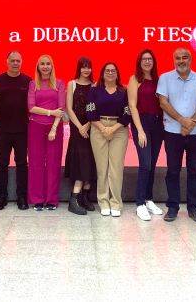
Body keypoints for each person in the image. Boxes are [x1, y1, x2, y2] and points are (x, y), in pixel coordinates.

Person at [157, 48, 196, 223]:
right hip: (173, 133)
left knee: (194, 171)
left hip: (195, 134)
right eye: (178, 58)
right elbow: (163, 103)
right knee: (173, 170)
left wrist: (190, 124)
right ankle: (172, 207)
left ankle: (193, 208)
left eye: (185, 57)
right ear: (174, 60)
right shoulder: (165, 78)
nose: (181, 61)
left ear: (191, 60)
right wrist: (182, 120)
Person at [0, 51, 31, 210]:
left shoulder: (28, 81)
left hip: (22, 130)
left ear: (21, 62)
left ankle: (22, 197)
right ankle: (1, 197)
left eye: (18, 61)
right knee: (2, 164)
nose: (15, 63)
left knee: (22, 164)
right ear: (7, 61)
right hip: (2, 130)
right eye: (12, 60)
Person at [87, 62, 130, 217]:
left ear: (117, 74)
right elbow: (90, 111)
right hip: (98, 129)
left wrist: (113, 128)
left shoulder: (123, 91)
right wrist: (103, 128)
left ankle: (116, 202)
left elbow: (127, 113)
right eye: (107, 70)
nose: (110, 73)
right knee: (102, 168)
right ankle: (104, 202)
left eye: (113, 70)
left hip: (119, 130)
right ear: (103, 73)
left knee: (116, 168)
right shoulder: (94, 90)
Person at [127, 49, 164, 221]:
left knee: (153, 164)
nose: (147, 61)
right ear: (139, 62)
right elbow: (132, 106)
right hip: (141, 124)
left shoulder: (159, 80)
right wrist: (140, 130)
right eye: (144, 59)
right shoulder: (135, 79)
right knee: (145, 163)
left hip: (157, 124)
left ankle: (149, 199)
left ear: (153, 61)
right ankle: (140, 203)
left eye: (150, 59)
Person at [27, 55, 65, 211]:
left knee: (53, 163)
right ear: (38, 66)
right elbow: (31, 107)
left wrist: (54, 128)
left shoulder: (59, 83)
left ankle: (51, 200)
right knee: (35, 163)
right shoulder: (32, 84)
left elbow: (61, 108)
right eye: (42, 64)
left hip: (55, 128)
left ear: (52, 66)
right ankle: (37, 199)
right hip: (35, 126)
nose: (45, 66)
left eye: (48, 64)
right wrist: (50, 112)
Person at [64, 57, 97, 215]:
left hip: (92, 127)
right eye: (83, 67)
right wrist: (79, 127)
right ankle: (74, 200)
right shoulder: (72, 84)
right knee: (80, 161)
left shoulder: (95, 85)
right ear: (79, 68)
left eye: (88, 67)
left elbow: (96, 108)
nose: (86, 70)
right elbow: (69, 108)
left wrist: (88, 125)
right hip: (77, 128)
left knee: (90, 160)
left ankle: (85, 197)